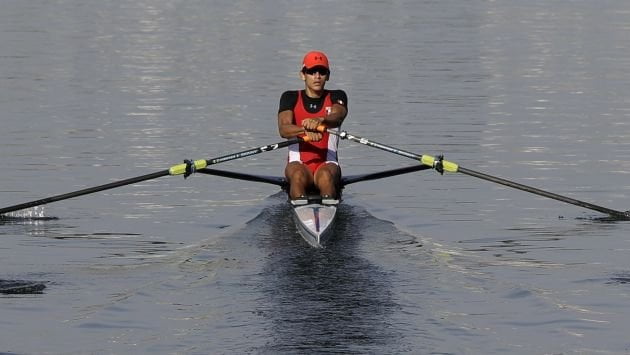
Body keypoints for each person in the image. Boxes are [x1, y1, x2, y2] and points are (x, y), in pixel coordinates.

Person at [277, 51, 348, 203]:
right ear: (303, 75)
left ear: (327, 76)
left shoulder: (337, 95)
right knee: (297, 175)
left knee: (326, 177)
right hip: (298, 164)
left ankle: (328, 208)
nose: (317, 76)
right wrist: (306, 130)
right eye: (311, 71)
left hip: (328, 164)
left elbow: (338, 116)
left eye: (322, 72)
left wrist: (320, 120)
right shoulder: (290, 97)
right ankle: (301, 207)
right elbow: (284, 129)